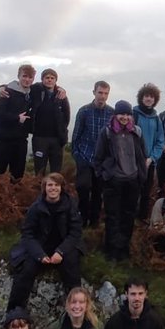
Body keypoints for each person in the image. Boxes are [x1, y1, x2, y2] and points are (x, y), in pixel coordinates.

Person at [8, 173, 85, 310]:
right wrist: (40, 255)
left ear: (61, 188)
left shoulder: (71, 206)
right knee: (25, 271)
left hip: (65, 246)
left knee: (72, 270)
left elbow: (75, 233)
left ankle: (78, 310)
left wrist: (60, 252)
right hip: (40, 247)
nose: (53, 188)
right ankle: (15, 314)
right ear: (44, 188)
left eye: (56, 185)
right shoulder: (35, 208)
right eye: (50, 185)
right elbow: (28, 234)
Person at [93, 100, 148, 261]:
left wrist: (141, 176)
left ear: (131, 115)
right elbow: (98, 158)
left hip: (133, 180)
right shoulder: (107, 132)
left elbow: (142, 154)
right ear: (115, 115)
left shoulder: (137, 132)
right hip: (113, 180)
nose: (124, 117)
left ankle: (124, 249)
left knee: (128, 215)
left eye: (127, 114)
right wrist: (104, 175)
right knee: (112, 216)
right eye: (121, 114)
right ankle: (111, 250)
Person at [71, 81, 115, 227]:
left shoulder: (111, 113)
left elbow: (113, 137)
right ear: (94, 92)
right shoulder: (84, 111)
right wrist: (77, 155)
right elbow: (76, 136)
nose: (102, 96)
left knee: (98, 191)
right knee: (83, 187)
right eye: (100, 92)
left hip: (102, 159)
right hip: (85, 155)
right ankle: (82, 218)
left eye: (105, 93)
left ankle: (94, 221)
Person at [0, 64, 35, 182]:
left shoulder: (31, 94)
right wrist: (16, 118)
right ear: (18, 76)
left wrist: (61, 90)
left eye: (30, 77)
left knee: (17, 176)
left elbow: (49, 86)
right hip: (3, 141)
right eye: (24, 76)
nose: (27, 79)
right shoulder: (7, 92)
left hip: (20, 141)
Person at [133, 84, 165, 220]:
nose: (148, 99)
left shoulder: (156, 118)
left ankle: (142, 220)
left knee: (146, 192)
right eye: (146, 96)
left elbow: (160, 141)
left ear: (155, 99)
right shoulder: (133, 114)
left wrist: (152, 158)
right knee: (133, 191)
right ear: (141, 97)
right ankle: (129, 220)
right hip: (133, 161)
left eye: (151, 97)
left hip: (149, 162)